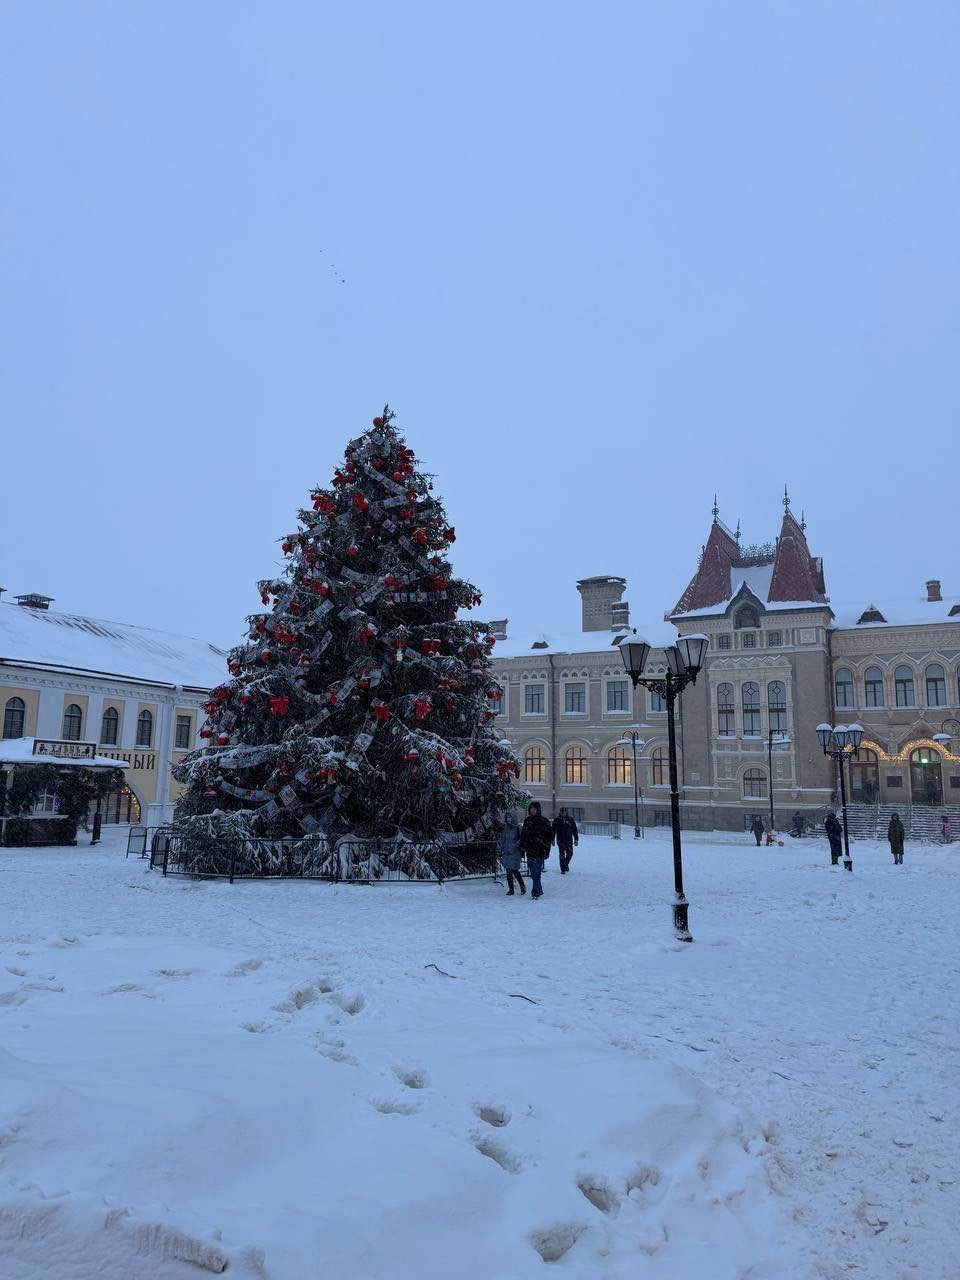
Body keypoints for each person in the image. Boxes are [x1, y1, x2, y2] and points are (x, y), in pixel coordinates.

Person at [519, 801, 553, 899]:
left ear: (538, 810)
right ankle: (539, 889)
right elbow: (523, 835)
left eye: (534, 809)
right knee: (533, 872)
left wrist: (547, 849)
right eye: (531, 809)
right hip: (529, 850)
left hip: (540, 850)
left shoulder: (544, 821)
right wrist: (522, 847)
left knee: (536, 871)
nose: (532, 811)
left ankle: (535, 892)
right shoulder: (527, 821)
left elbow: (549, 836)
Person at [498, 811, 525, 896]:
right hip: (507, 852)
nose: (508, 819)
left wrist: (516, 845)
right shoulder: (505, 828)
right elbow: (503, 839)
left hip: (515, 853)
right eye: (507, 817)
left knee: (514, 870)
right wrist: (500, 849)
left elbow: (522, 839)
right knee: (508, 871)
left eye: (510, 817)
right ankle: (511, 889)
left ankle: (522, 887)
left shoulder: (518, 828)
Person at [552, 807, 579, 874]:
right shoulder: (557, 820)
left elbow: (574, 829)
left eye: (564, 811)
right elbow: (553, 830)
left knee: (570, 853)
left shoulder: (570, 819)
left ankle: (565, 865)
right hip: (560, 840)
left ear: (566, 812)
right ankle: (563, 869)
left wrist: (576, 839)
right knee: (562, 854)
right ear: (560, 812)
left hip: (569, 840)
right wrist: (552, 839)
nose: (563, 813)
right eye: (561, 811)